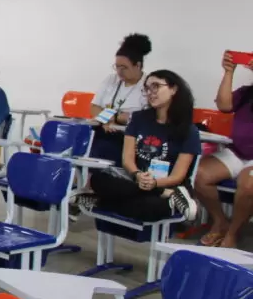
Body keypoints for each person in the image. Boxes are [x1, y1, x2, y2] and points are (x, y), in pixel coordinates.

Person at [76, 70, 199, 222]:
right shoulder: (138, 118)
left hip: (166, 183)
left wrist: (155, 183)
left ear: (173, 89)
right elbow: (127, 159)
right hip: (137, 180)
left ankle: (101, 201)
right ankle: (167, 194)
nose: (150, 92)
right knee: (98, 180)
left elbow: (178, 176)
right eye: (146, 88)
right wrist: (138, 175)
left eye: (156, 86)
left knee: (150, 206)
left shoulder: (188, 130)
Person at [195, 51, 253, 247]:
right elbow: (224, 105)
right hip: (237, 152)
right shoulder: (247, 92)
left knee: (249, 186)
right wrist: (229, 71)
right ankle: (220, 222)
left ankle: (233, 233)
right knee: (198, 174)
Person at [89, 33, 152, 163]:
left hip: (129, 138)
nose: (119, 71)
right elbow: (94, 107)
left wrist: (115, 118)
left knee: (101, 150)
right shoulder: (110, 80)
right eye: (116, 67)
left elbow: (145, 118)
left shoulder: (148, 85)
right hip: (104, 130)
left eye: (124, 68)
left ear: (138, 65)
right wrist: (106, 120)